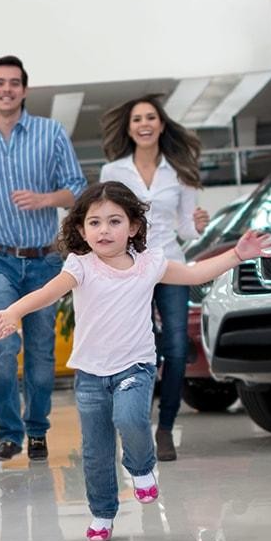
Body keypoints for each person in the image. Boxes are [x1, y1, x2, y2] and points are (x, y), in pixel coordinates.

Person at [0, 181, 271, 541]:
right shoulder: (80, 265)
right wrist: (13, 312)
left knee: (130, 418)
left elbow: (195, 274)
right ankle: (103, 514)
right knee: (95, 451)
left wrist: (237, 254)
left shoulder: (150, 264)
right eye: (94, 223)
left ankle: (141, 468)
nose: (103, 230)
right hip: (90, 375)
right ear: (81, 229)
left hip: (135, 367)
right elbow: (47, 293)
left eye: (114, 221)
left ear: (134, 227)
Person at [0, 55, 86, 462]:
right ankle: (9, 434)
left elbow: (76, 187)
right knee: (3, 344)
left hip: (45, 261)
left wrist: (46, 199)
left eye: (14, 83)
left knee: (41, 350)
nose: (6, 89)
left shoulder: (51, 132)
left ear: (24, 89)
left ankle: (37, 430)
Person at [100, 94, 210, 461]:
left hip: (169, 264)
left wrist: (195, 225)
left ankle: (165, 428)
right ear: (129, 128)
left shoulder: (179, 171)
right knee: (139, 350)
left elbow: (185, 228)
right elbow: (108, 222)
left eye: (150, 117)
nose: (144, 124)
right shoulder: (113, 172)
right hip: (130, 270)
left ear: (161, 124)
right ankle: (138, 426)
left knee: (177, 347)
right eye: (137, 119)